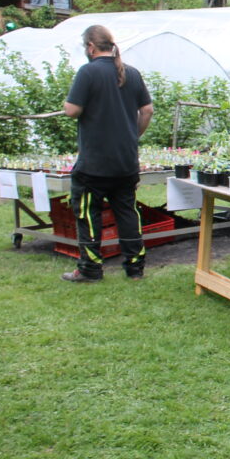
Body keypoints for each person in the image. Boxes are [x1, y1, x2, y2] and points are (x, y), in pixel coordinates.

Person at [60, 25, 154, 283]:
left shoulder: (88, 72)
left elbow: (71, 110)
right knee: (127, 212)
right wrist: (133, 136)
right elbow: (147, 110)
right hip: (125, 161)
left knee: (88, 214)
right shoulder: (131, 73)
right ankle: (135, 267)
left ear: (90, 47)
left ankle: (90, 269)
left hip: (95, 163)